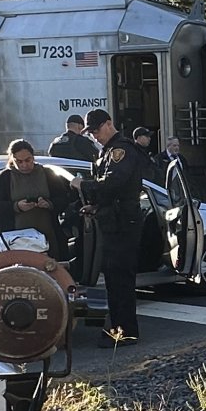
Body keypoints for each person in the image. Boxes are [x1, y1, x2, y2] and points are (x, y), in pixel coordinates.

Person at [76, 110, 147, 346]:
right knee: (114, 281)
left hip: (123, 223)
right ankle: (119, 328)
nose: (94, 135)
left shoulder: (121, 150)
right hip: (114, 221)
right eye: (91, 132)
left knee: (121, 281)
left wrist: (83, 185)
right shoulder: (107, 151)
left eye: (96, 130)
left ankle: (125, 332)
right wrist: (94, 207)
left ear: (109, 124)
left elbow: (113, 185)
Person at [0, 139, 77, 258]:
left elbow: (64, 198)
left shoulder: (47, 174)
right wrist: (17, 206)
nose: (24, 165)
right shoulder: (5, 178)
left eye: (27, 160)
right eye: (19, 161)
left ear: (33, 157)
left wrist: (49, 204)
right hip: (18, 240)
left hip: (49, 234)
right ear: (12, 159)